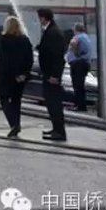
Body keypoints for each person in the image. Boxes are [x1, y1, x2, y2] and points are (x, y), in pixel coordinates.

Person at [0, 16, 34, 138]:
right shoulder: (25, 40)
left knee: (4, 99)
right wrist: (24, 73)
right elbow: (29, 58)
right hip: (21, 77)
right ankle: (17, 123)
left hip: (7, 76)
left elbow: (4, 60)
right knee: (16, 100)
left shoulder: (4, 40)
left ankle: (13, 124)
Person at [36, 8, 67, 141]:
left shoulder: (53, 32)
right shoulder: (51, 30)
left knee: (54, 103)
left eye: (40, 17)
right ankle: (56, 128)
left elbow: (56, 56)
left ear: (44, 18)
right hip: (48, 73)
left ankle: (59, 131)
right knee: (50, 102)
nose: (39, 20)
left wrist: (54, 75)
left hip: (51, 75)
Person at [67, 23, 92, 112]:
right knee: (80, 85)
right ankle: (81, 105)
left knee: (77, 85)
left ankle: (79, 105)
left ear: (76, 29)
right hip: (84, 63)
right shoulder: (86, 37)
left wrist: (75, 53)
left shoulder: (78, 37)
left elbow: (73, 43)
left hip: (78, 63)